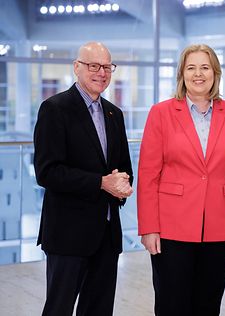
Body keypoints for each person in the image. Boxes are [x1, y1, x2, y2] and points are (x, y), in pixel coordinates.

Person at [137, 43, 225, 316]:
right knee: (171, 305)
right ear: (182, 74)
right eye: (191, 67)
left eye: (205, 67)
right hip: (171, 228)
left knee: (208, 306)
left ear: (215, 73)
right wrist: (149, 227)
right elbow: (148, 175)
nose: (198, 74)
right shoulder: (161, 113)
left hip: (220, 228)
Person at [33, 41, 134, 315]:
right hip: (68, 234)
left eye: (106, 67)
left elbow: (124, 168)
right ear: (77, 67)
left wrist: (124, 185)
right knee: (59, 308)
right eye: (93, 66)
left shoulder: (115, 113)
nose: (101, 72)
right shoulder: (55, 108)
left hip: (106, 234)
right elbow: (47, 171)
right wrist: (101, 183)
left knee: (99, 309)